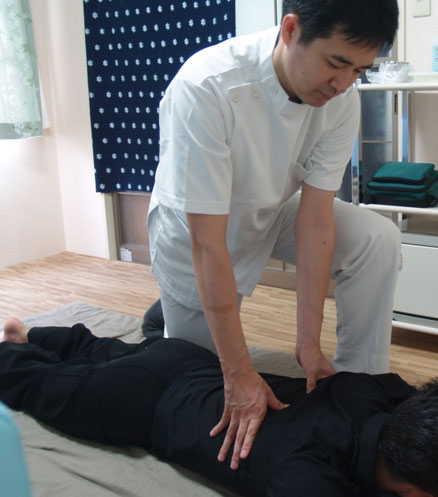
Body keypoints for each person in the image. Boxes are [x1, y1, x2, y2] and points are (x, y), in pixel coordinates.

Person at [147, 0, 402, 469]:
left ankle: (360, 383)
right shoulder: (206, 86)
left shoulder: (341, 97)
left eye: (359, 70)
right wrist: (238, 371)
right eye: (336, 63)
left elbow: (316, 220)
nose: (343, 83)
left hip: (272, 209)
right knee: (192, 379)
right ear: (291, 30)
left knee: (377, 238)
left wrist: (308, 344)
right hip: (194, 234)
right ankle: (162, 322)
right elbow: (208, 243)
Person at [0, 319, 438, 497]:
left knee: (104, 351)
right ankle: (14, 344)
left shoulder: (367, 394)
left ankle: (32, 333)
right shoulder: (306, 479)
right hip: (145, 402)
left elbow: (416, 393)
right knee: (38, 384)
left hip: (191, 360)